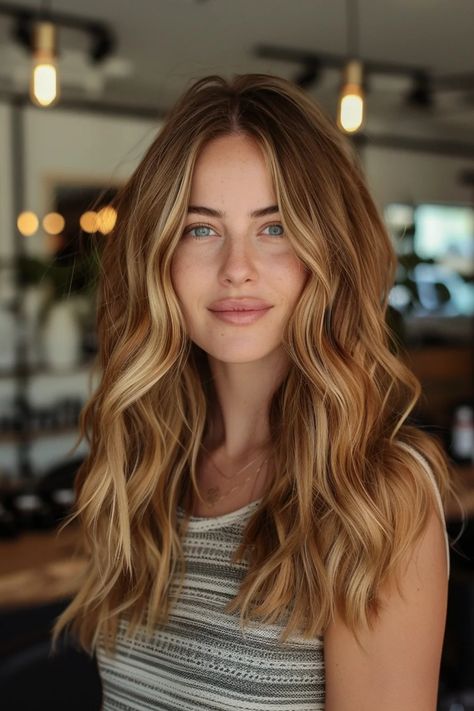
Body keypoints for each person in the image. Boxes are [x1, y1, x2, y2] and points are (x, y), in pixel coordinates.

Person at [53, 74, 460, 711]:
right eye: (200, 229)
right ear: (159, 255)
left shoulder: (375, 498)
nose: (237, 267)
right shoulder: (145, 464)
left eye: (275, 229)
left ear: (329, 252)